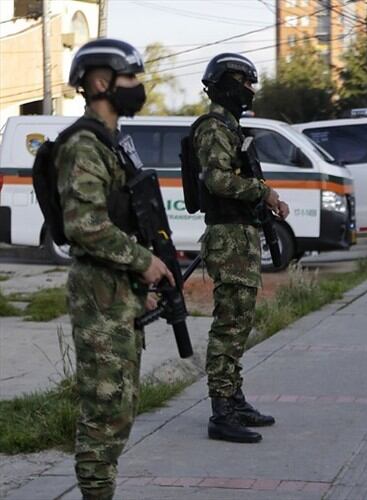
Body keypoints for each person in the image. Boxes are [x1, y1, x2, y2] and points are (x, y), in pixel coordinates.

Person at [58, 38, 174, 500]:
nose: (138, 86)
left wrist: (138, 281)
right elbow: (85, 226)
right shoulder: (84, 145)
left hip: (116, 290)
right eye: (131, 78)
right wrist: (144, 263)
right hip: (97, 291)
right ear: (101, 83)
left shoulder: (113, 144)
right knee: (104, 408)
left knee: (121, 406)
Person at [195, 53, 290, 443]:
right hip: (228, 236)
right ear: (228, 83)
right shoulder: (214, 128)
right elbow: (216, 180)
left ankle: (234, 398)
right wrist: (262, 191)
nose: (250, 90)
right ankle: (221, 412)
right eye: (245, 83)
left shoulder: (232, 127)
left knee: (240, 322)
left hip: (241, 233)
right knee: (229, 325)